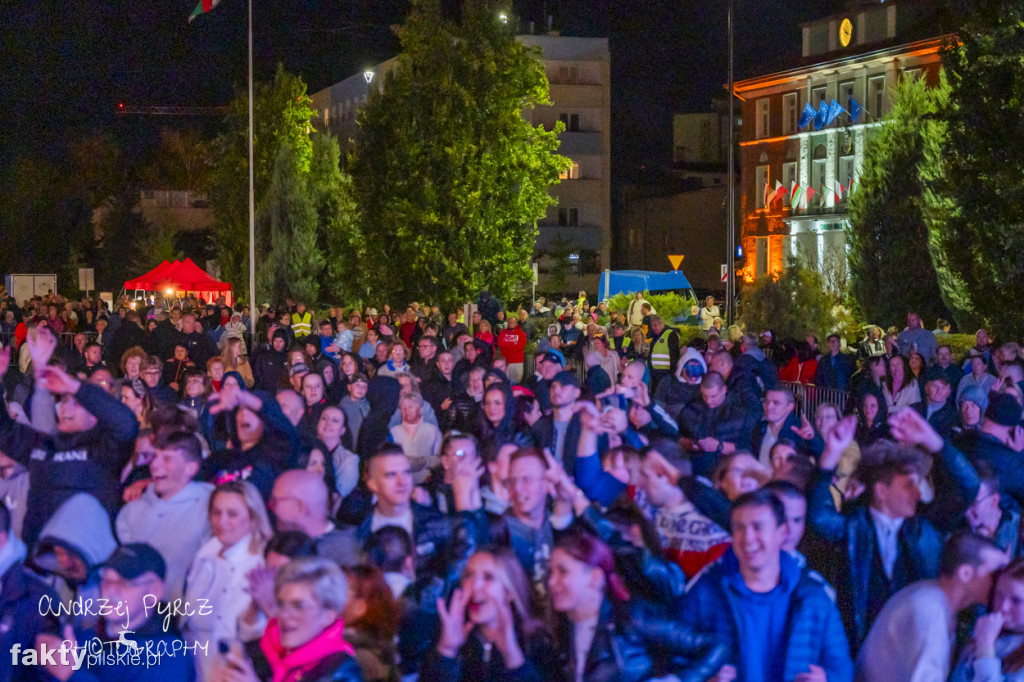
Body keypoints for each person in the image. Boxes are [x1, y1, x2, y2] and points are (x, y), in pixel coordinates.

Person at [808, 409, 979, 649]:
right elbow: (817, 516)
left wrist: (935, 443)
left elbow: (967, 485)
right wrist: (831, 453)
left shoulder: (926, 528)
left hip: (916, 649)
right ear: (881, 490)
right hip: (861, 653)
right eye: (909, 484)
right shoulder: (852, 528)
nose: (918, 492)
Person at [682, 489, 853, 681]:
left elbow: (843, 671)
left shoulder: (815, 597)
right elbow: (675, 662)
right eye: (739, 528)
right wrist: (703, 678)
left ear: (782, 532)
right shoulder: (706, 592)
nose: (747, 538)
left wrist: (826, 679)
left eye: (758, 527)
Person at [0, 335, 139, 546]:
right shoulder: (43, 445)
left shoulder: (104, 448)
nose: (66, 408)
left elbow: (127, 425)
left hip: (85, 562)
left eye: (75, 404)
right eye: (64, 402)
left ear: (94, 414)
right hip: (39, 563)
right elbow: (3, 431)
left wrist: (76, 387)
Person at [551, 531, 727, 682]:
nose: (551, 581)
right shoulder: (563, 628)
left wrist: (676, 680)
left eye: (563, 571)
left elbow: (715, 646)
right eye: (551, 572)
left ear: (595, 578)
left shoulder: (630, 618)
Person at [856, 532, 1008, 682]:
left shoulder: (931, 598)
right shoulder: (930, 611)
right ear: (966, 573)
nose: (1002, 582)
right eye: (995, 574)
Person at [37, 543, 196, 681]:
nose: (110, 590)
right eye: (106, 578)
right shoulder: (82, 639)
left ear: (154, 591)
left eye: (125, 582)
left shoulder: (168, 659)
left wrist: (72, 674)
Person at [422, 548, 556, 681]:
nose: (475, 586)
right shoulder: (449, 636)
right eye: (469, 575)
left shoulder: (536, 643)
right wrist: (447, 651)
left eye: (488, 577)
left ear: (509, 592)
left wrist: (514, 659)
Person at [183, 480, 272, 680]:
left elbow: (259, 632)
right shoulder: (206, 552)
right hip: (195, 661)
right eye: (216, 513)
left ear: (252, 518)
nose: (221, 521)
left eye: (232, 514)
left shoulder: (260, 563)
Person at [115, 430, 213, 602]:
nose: (155, 465)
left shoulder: (209, 510)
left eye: (167, 459)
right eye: (154, 457)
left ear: (191, 468)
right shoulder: (131, 512)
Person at [647, 316, 680, 392]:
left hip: (665, 372)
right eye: (652, 326)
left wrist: (672, 373)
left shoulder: (670, 334)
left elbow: (674, 355)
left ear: (662, 324)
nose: (653, 328)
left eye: (655, 325)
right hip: (655, 372)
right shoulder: (655, 336)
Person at [496, 317, 528, 384]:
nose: (510, 324)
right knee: (504, 381)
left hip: (517, 361)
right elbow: (500, 343)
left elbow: (520, 346)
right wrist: (513, 345)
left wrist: (507, 345)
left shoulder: (521, 334)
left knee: (516, 382)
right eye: (509, 322)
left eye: (512, 322)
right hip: (505, 361)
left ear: (516, 324)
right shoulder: (503, 332)